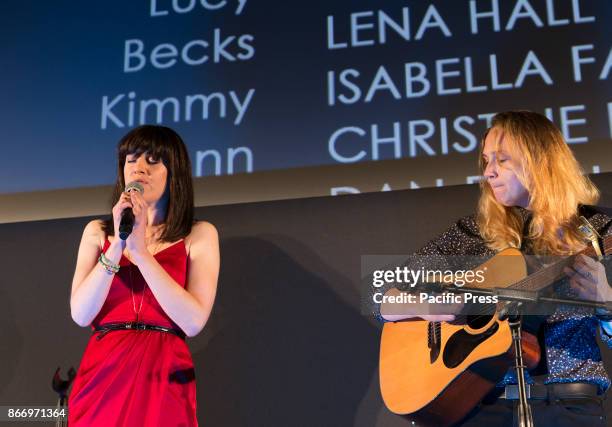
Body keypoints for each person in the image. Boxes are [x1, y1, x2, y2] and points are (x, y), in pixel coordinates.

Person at [379, 111, 612, 426]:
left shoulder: (599, 231)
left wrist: (606, 304)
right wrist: (434, 306)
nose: (488, 172)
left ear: (542, 161)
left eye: (502, 160)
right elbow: (382, 294)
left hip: (570, 407)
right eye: (486, 161)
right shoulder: (475, 233)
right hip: (483, 408)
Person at [68, 125, 220, 426]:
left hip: (163, 372)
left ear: (173, 170)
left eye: (152, 160)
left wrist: (141, 254)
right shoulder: (98, 232)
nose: (139, 169)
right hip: (103, 372)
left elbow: (193, 321)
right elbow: (81, 313)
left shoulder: (199, 234)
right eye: (131, 159)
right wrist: (118, 247)